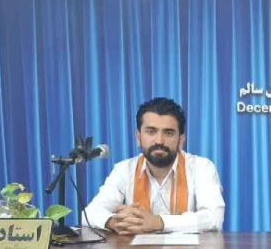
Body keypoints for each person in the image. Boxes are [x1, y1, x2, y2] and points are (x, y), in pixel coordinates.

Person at [83, 97, 225, 234]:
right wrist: (116, 222)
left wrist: (157, 222)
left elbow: (213, 217)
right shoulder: (124, 170)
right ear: (138, 137)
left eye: (168, 133)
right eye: (151, 132)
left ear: (181, 140)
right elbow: (89, 213)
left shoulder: (201, 168)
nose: (159, 141)